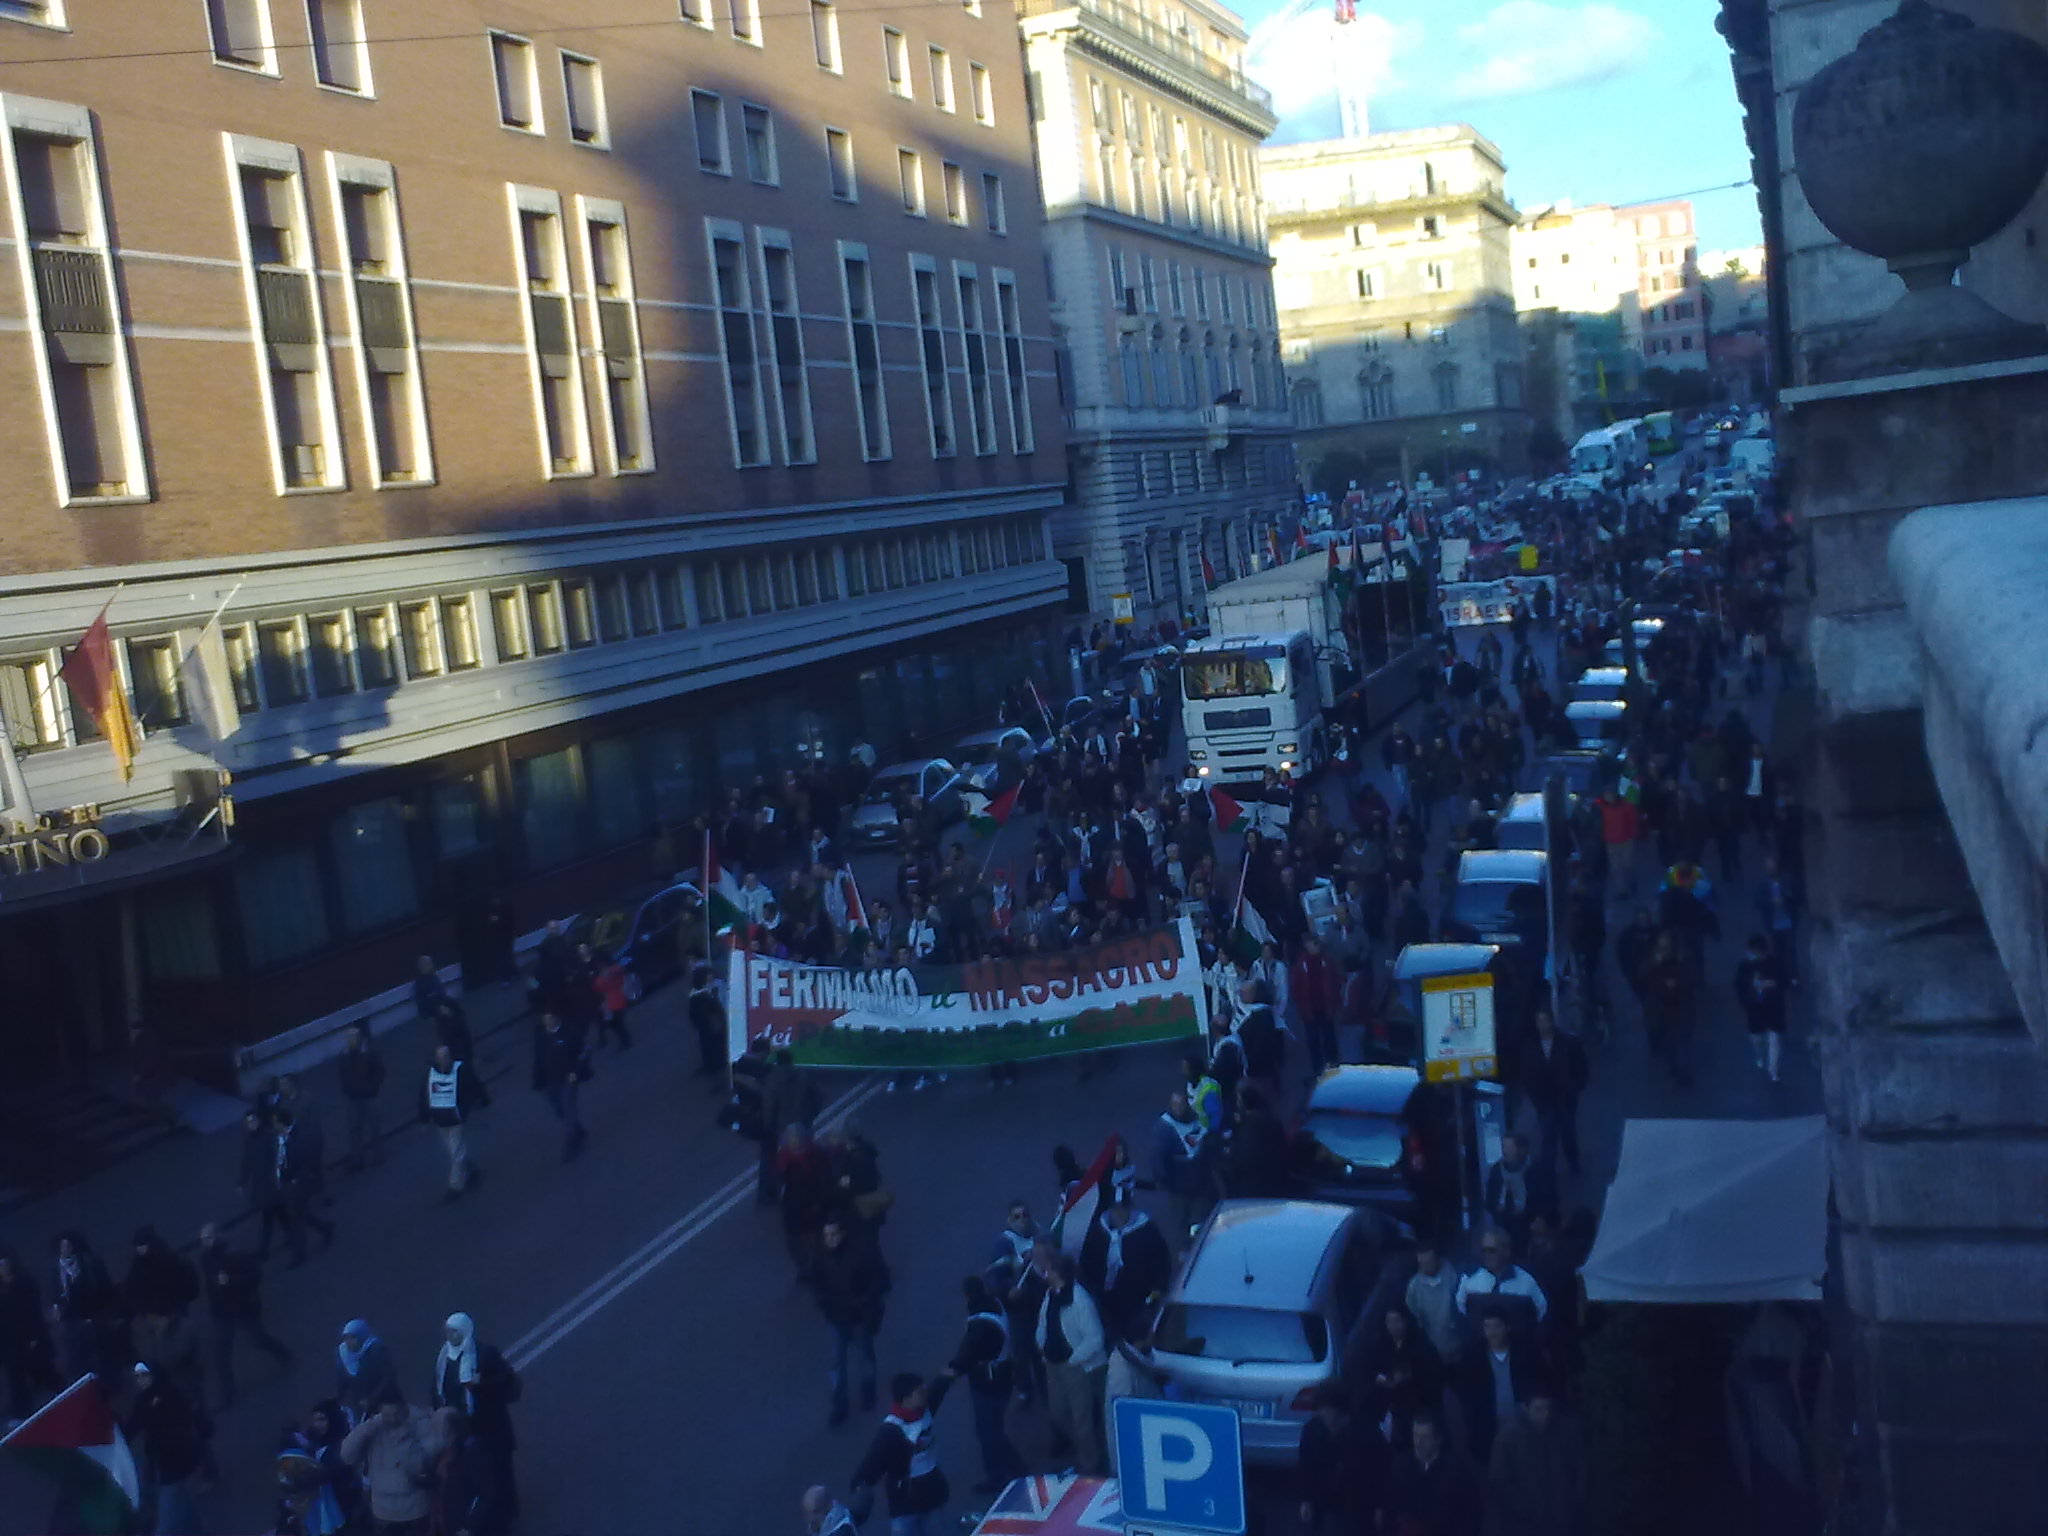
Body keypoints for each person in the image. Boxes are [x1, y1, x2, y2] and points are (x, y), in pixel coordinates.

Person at [431, 1313, 520, 1529]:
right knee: (471, 1475)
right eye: (448, 1331)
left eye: (454, 1331)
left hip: (490, 1429)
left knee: (497, 1473)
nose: (450, 1335)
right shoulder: (445, 1357)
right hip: (462, 1429)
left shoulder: (484, 1354)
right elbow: (437, 1388)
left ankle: (503, 1518)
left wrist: (480, 1384)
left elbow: (509, 1385)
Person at [849, 1369, 959, 1536]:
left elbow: (937, 1388)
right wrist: (860, 1485)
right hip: (905, 1503)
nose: (924, 1393)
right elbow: (873, 1462)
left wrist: (950, 1373)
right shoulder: (891, 1431)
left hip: (932, 1495)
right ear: (906, 1399)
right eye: (919, 1392)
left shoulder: (925, 1408)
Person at [195, 1222, 290, 1410]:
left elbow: (255, 1275)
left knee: (258, 1339)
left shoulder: (234, 1253)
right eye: (203, 1239)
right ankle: (228, 1393)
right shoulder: (205, 1258)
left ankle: (283, 1353)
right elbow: (210, 1284)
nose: (206, 1242)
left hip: (242, 1307)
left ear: (218, 1236)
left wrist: (231, 1282)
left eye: (209, 1238)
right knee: (221, 1354)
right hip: (222, 1311)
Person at [1035, 1253, 1108, 1477]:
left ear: (1058, 1274)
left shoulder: (1079, 1301)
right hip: (1053, 1364)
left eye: (1048, 1270)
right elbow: (1043, 1323)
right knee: (1058, 1414)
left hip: (1075, 1367)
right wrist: (1043, 1346)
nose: (1045, 1274)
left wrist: (1074, 1359)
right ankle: (1089, 1451)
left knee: (1081, 1419)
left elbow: (1095, 1338)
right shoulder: (1052, 1294)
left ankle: (1091, 1466)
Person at [949, 1276, 1023, 1494]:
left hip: (988, 1380)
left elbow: (971, 1350)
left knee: (988, 1431)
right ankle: (1015, 1469)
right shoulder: (995, 1304)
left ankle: (1000, 1475)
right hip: (1004, 1373)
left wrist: (954, 1368)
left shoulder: (980, 1322)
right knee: (993, 1429)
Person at [813, 1217, 888, 1427]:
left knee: (865, 1355)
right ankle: (839, 1405)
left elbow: (877, 1281)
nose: (829, 1239)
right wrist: (823, 1302)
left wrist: (862, 1302)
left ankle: (867, 1391)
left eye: (833, 1234)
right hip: (835, 1317)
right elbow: (816, 1283)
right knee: (837, 1362)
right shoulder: (820, 1256)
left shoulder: (858, 1255)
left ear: (843, 1233)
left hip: (857, 1316)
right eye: (826, 1235)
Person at [1485, 1382, 1586, 1536]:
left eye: (1548, 1408)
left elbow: (1579, 1469)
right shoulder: (1508, 1438)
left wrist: (1574, 1502)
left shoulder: (1565, 1432)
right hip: (1525, 1523)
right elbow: (1500, 1481)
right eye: (1538, 1409)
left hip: (1561, 1518)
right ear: (1526, 1408)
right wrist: (1522, 1507)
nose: (1545, 1414)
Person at [127, 1360, 210, 1536]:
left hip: (174, 1460)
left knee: (168, 1522)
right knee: (184, 1504)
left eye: (144, 1375)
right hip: (165, 1461)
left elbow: (181, 1423)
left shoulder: (171, 1394)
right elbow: (132, 1426)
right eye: (137, 1377)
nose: (140, 1380)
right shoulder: (143, 1400)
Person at [341, 1389, 439, 1536]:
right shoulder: (372, 1428)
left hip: (416, 1508)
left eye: (396, 1414)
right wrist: (366, 1429)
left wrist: (411, 1436)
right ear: (380, 1412)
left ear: (404, 1407)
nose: (393, 1419)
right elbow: (347, 1456)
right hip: (383, 1510)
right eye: (388, 1415)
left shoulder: (420, 1423)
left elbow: (429, 1457)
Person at [1077, 1200, 1169, 1344]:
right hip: (1103, 1298)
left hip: (1136, 1300)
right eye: (1115, 1209)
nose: (1118, 1214)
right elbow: (1087, 1261)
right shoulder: (1098, 1230)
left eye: (1122, 1209)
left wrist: (1154, 1296)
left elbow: (1162, 1265)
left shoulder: (1147, 1231)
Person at [1298, 1383, 1383, 1535]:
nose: (1322, 1415)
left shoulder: (1368, 1435)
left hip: (1357, 1503)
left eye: (1326, 1410)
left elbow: (1381, 1473)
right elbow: (1306, 1467)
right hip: (1324, 1501)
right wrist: (1306, 1499)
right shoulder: (1313, 1430)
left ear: (1339, 1410)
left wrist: (1379, 1506)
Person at [1457, 1310, 1539, 1464]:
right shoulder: (1473, 1357)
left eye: (1497, 1326)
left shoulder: (1525, 1353)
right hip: (1489, 1429)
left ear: (1508, 1327)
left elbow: (1537, 1383)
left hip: (1522, 1426)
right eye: (1487, 1327)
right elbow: (1466, 1395)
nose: (1492, 1332)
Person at [1383, 1412, 1481, 1536]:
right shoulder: (1401, 1466)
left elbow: (1471, 1513)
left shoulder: (1457, 1470)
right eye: (1415, 1435)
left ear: (1438, 1439)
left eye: (1425, 1437)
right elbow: (1389, 1508)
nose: (1418, 1442)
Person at [1518, 1012, 1589, 1178]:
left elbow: (1581, 1068)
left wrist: (1574, 1089)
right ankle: (1548, 1173)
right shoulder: (1530, 1047)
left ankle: (1573, 1164)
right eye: (1539, 1021)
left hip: (1565, 1099)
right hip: (1544, 1101)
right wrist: (1535, 1097)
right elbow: (1526, 1075)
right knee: (1548, 1137)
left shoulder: (1568, 1043)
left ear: (1551, 1022)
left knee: (1568, 1134)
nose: (1543, 1025)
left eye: (1545, 1021)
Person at [418, 1044, 490, 1199]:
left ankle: (455, 1186)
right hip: (441, 1119)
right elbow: (423, 1097)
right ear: (436, 1059)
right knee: (454, 1150)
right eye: (441, 1056)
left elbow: (475, 1085)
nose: (445, 1059)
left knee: (455, 1151)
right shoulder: (430, 1075)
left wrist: (481, 1100)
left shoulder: (461, 1070)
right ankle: (471, 1169)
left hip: (456, 1117)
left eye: (447, 1056)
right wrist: (424, 1119)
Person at [274, 1106, 336, 1264]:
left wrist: (296, 1180)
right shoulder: (282, 1137)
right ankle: (326, 1228)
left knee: (296, 1221)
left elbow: (306, 1162)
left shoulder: (298, 1138)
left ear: (282, 1123)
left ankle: (299, 1255)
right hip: (288, 1183)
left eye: (276, 1123)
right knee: (300, 1215)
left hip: (297, 1184)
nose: (274, 1126)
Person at [429, 1406, 504, 1536]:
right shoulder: (441, 1451)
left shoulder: (472, 1453)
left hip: (461, 1526)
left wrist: (468, 1526)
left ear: (450, 1429)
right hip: (443, 1521)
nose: (432, 1430)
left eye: (436, 1426)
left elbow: (484, 1494)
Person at [1148, 1087, 1212, 1239]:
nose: (1178, 1108)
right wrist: (1162, 1178)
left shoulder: (1196, 1118)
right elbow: (1158, 1155)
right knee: (1182, 1217)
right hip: (1179, 1183)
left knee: (1201, 1215)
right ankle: (1185, 1246)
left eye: (1181, 1104)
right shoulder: (1165, 1127)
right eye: (1175, 1105)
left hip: (1200, 1178)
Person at [0, 1246, 54, 1419]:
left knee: (40, 1369)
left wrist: (33, 1335)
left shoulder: (24, 1282)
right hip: (8, 1340)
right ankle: (21, 1412)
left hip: (28, 1336)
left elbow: (33, 1311)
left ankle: (55, 1397)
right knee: (15, 1377)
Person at [530, 1011, 592, 1161]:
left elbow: (583, 1051)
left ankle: (572, 1142)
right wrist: (538, 1079)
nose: (548, 1022)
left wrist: (575, 1071)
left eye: (550, 1018)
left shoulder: (569, 1032)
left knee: (569, 1107)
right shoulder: (541, 1036)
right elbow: (539, 1059)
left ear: (557, 1018)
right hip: (551, 1080)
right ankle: (576, 1128)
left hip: (568, 1078)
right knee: (558, 1109)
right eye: (545, 1019)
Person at [1482, 1134, 1557, 1254]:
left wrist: (1541, 1219)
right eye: (1503, 1148)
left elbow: (1548, 1196)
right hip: (1506, 1224)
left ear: (1521, 1150)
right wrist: (1498, 1215)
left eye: (1509, 1148)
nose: (1505, 1152)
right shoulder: (1497, 1171)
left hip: (1531, 1224)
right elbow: (1490, 1198)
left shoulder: (1536, 1170)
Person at [1456, 1228, 1549, 1321]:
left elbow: (1542, 1311)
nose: (1486, 1255)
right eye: (1484, 1250)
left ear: (1506, 1251)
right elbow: (1460, 1311)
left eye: (1492, 1250)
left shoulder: (1526, 1281)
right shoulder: (1468, 1279)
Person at [1734, 931, 1788, 1082]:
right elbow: (1739, 985)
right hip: (1755, 1008)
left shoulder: (1775, 962)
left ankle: (1773, 1069)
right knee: (1757, 1038)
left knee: (1775, 1039)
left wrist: (1774, 984)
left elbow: (1784, 980)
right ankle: (1760, 1056)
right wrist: (1745, 1002)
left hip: (1773, 1007)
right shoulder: (1745, 965)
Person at [1405, 1241, 1465, 1368]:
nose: (1426, 1266)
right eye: (1422, 1263)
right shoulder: (1413, 1287)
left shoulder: (1454, 1277)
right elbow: (1413, 1317)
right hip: (1431, 1352)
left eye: (1429, 1262)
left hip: (1458, 1348)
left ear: (1437, 1259)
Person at [1290, 934, 1343, 1077]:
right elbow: (1296, 988)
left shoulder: (1327, 960)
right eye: (1312, 943)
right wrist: (1302, 1007)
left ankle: (1333, 1066)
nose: (1315, 946)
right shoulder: (1301, 964)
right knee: (1313, 1041)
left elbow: (1336, 981)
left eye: (1316, 943)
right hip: (1310, 1010)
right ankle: (1318, 1070)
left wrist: (1335, 1002)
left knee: (1329, 1038)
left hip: (1326, 1007)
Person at [337, 1024, 387, 1173]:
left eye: (353, 1038)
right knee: (354, 1129)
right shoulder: (343, 1055)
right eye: (349, 1038)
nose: (351, 1041)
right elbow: (342, 1074)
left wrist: (372, 1087)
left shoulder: (370, 1053)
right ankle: (357, 1158)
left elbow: (380, 1072)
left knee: (373, 1126)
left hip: (368, 1095)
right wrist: (346, 1089)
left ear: (359, 1039)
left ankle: (377, 1155)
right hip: (353, 1097)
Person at [335, 1319, 398, 1427]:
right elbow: (343, 1379)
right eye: (346, 1338)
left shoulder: (376, 1348)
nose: (349, 1342)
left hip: (383, 1400)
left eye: (353, 1337)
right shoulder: (344, 1352)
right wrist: (337, 1399)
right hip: (359, 1402)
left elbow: (388, 1377)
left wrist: (372, 1398)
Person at [687, 964, 727, 1079]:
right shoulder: (697, 995)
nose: (711, 976)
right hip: (709, 1025)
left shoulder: (716, 986)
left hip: (714, 1024)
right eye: (708, 975)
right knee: (710, 1046)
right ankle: (714, 1068)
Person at [591, 952, 633, 1051]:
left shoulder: (608, 975)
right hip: (613, 1000)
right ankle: (625, 1039)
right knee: (615, 1023)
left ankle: (625, 1040)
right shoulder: (612, 972)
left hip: (614, 1000)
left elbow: (600, 987)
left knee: (616, 1022)